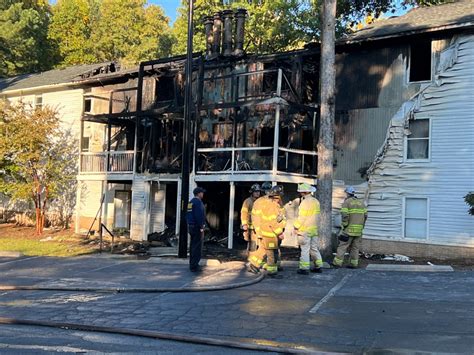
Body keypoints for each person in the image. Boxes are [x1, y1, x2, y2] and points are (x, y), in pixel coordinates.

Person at [249, 185, 286, 276]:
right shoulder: (271, 206)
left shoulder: (270, 203)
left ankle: (254, 264)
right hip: (269, 234)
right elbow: (273, 222)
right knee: (270, 253)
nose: (280, 199)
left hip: (267, 232)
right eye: (279, 197)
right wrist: (279, 233)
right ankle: (272, 271)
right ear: (276, 196)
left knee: (263, 250)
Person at [332, 186, 368, 269]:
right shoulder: (361, 203)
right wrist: (362, 226)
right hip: (359, 231)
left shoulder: (347, 202)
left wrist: (344, 225)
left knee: (342, 246)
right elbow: (366, 216)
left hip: (348, 230)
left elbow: (345, 215)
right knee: (355, 248)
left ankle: (337, 263)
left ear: (347, 193)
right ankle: (353, 264)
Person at [293, 183, 322, 275]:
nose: (300, 193)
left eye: (301, 192)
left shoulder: (304, 203)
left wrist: (296, 226)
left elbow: (302, 217)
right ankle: (318, 266)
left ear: (304, 192)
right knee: (314, 248)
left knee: (305, 249)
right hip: (314, 230)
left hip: (304, 230)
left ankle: (304, 268)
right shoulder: (316, 201)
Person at [247, 181, 272, 271]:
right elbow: (254, 217)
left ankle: (263, 264)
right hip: (263, 230)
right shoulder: (257, 202)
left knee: (266, 248)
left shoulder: (265, 201)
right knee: (262, 248)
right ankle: (253, 263)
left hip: (268, 230)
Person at [187, 186, 206, 272]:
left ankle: (192, 263)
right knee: (197, 246)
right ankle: (194, 266)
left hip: (191, 226)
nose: (203, 194)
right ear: (199, 193)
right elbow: (199, 216)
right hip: (197, 227)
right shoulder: (198, 203)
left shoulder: (190, 202)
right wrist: (201, 227)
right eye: (202, 192)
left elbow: (187, 214)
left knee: (192, 246)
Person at [240, 183, 261, 253]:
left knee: (260, 246)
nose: (258, 193)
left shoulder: (261, 201)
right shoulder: (247, 201)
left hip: (259, 228)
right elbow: (244, 213)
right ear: (252, 192)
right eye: (256, 191)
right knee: (252, 245)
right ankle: (251, 260)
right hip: (251, 228)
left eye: (259, 191)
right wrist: (244, 224)